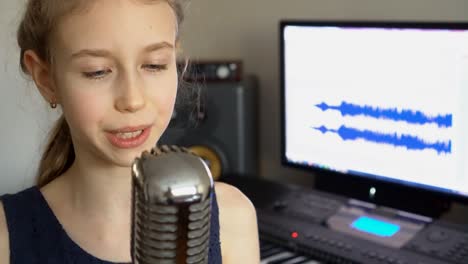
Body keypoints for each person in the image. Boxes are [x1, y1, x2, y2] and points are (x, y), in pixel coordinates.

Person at [0, 0, 260, 263]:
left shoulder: (233, 217)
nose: (132, 100)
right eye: (97, 72)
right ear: (46, 78)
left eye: (155, 65)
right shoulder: (5, 238)